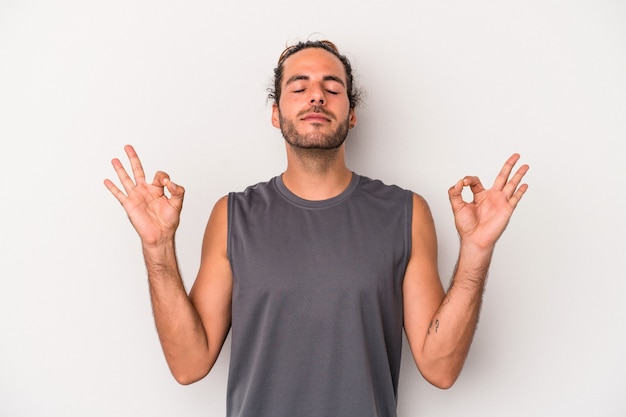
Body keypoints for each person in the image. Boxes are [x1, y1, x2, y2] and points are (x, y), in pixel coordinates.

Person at [104, 40, 529, 417]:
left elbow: (440, 369)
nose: (316, 97)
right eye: (299, 86)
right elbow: (188, 365)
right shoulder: (233, 216)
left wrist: (476, 252)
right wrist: (157, 247)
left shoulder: (405, 212)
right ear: (276, 113)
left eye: (332, 87)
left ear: (352, 113)